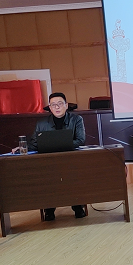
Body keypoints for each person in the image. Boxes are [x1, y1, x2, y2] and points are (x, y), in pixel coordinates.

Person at [30, 92, 87, 221]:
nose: (57, 107)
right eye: (53, 105)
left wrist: (58, 145)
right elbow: (34, 143)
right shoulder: (41, 123)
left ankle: (78, 207)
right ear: (49, 107)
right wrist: (22, 149)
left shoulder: (76, 120)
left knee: (74, 176)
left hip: (71, 159)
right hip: (49, 161)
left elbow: (80, 140)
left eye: (60, 104)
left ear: (66, 105)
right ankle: (49, 210)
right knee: (46, 177)